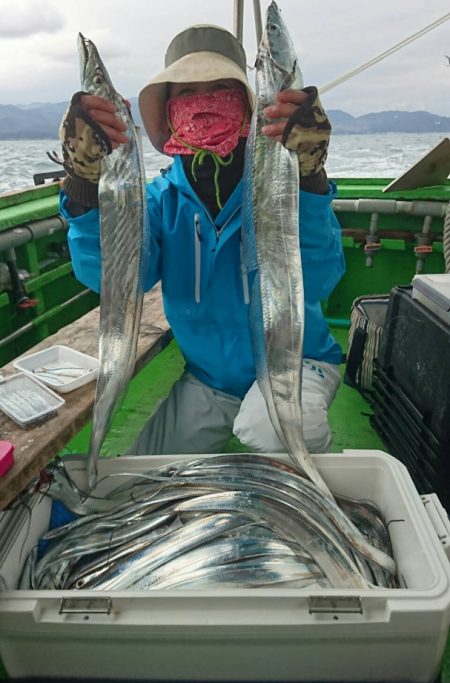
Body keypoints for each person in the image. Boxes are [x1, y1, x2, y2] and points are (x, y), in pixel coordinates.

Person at [58, 23, 344, 456]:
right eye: (188, 91)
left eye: (220, 87)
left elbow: (320, 279)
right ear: (170, 110)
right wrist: (85, 187)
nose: (204, 100)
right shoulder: (156, 201)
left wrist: (307, 177)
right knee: (137, 482)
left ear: (248, 105)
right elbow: (114, 279)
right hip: (210, 379)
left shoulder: (281, 183)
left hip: (297, 362)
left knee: (272, 430)